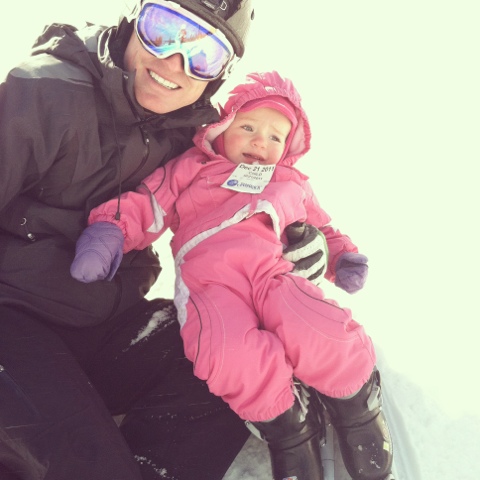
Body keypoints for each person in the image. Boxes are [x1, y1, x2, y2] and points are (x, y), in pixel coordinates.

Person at [0, 1, 329, 479]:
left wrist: (298, 238)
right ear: (134, 19)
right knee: (87, 460)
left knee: (235, 361)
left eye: (204, 54)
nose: (175, 62)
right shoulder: (44, 93)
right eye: (164, 29)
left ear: (220, 74)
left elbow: (258, 200)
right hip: (13, 319)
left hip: (104, 321)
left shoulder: (192, 136)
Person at [71, 70, 394, 480]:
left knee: (315, 326)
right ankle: (287, 427)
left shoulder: (290, 182)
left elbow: (323, 228)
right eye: (248, 128)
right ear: (221, 129)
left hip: (274, 274)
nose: (261, 142)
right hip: (210, 288)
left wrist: (342, 257)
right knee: (225, 352)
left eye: (275, 136)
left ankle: (358, 404)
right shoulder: (192, 169)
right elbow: (146, 205)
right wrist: (109, 232)